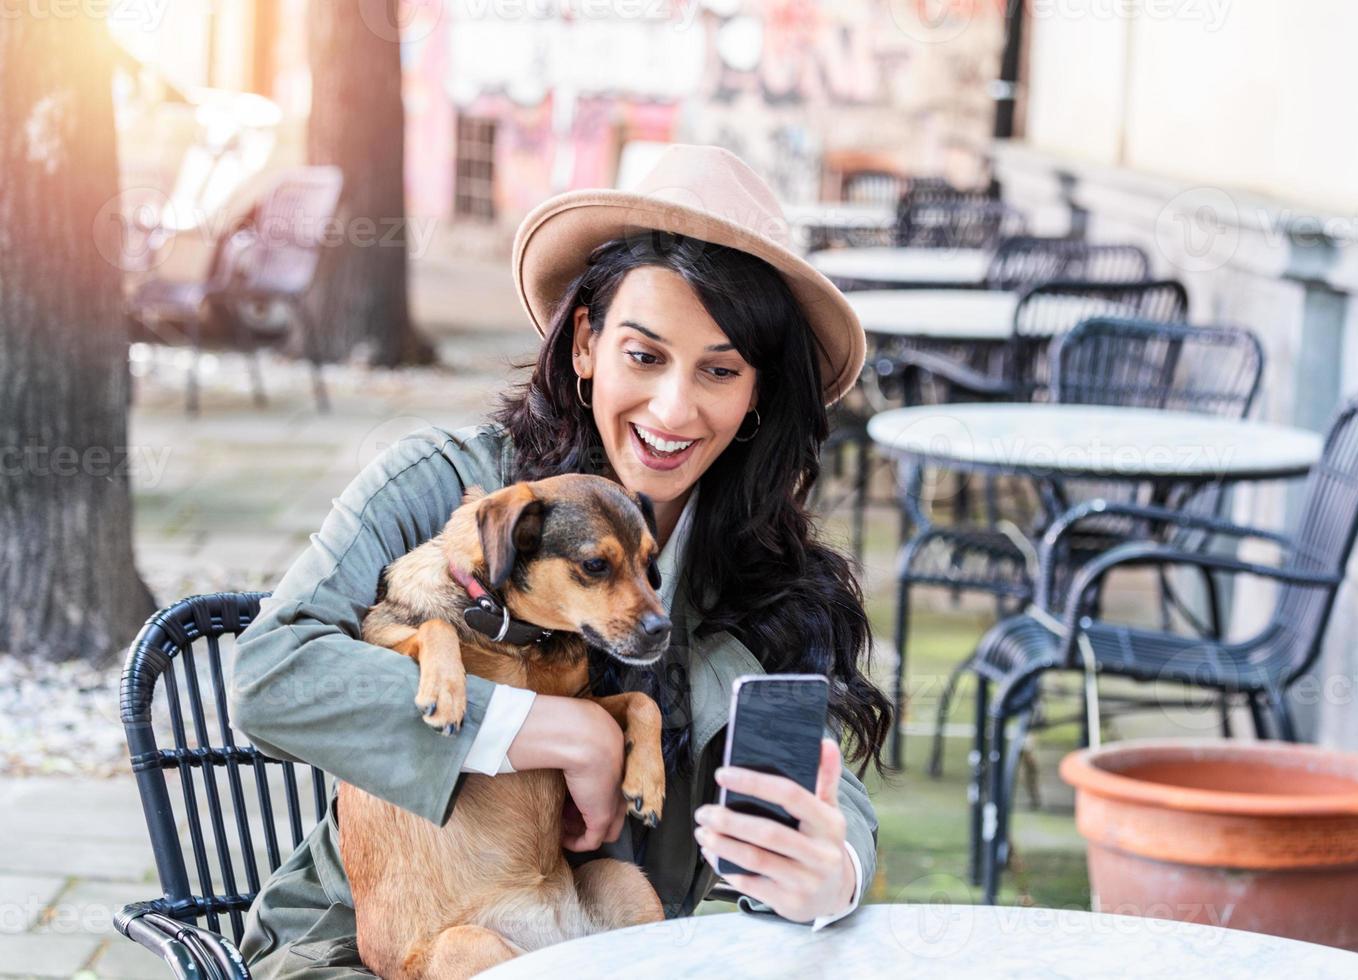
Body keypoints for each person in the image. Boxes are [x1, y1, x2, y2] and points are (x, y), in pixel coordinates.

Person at [229, 144, 893, 975]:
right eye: (644, 356)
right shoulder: (443, 485)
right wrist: (548, 729)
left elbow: (831, 793)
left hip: (613, 943)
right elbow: (268, 678)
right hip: (374, 951)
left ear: (756, 391)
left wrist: (833, 872)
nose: (673, 408)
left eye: (718, 370)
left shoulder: (770, 580)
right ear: (586, 342)